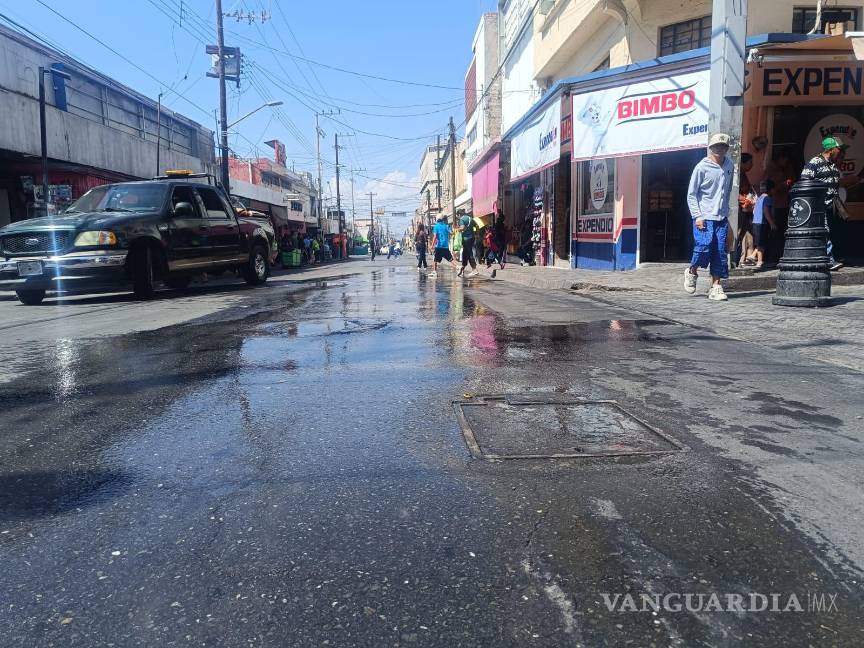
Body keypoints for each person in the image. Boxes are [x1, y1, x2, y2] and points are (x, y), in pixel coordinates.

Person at [683, 132, 735, 302]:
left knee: (720, 251)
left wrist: (727, 212)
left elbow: (727, 191)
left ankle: (716, 286)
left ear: (727, 149)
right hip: (704, 215)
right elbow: (692, 194)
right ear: (710, 148)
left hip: (721, 216)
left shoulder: (729, 165)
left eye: (722, 146)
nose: (719, 149)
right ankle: (692, 271)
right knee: (704, 246)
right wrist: (697, 216)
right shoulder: (702, 167)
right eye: (716, 146)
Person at [800, 136, 861, 271]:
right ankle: (829, 260)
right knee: (825, 230)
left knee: (832, 230)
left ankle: (830, 256)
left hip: (832, 205)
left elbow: (836, 183)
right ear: (831, 149)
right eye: (840, 149)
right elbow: (804, 182)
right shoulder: (814, 162)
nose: (842, 153)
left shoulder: (833, 165)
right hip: (819, 205)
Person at [746, 180, 777, 269]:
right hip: (762, 223)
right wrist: (772, 223)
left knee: (760, 242)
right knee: (761, 243)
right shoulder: (767, 199)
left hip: (755, 222)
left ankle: (753, 255)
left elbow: (754, 210)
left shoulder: (759, 198)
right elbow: (766, 211)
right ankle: (759, 261)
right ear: (770, 189)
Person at [455, 210, 479, 277]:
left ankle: (474, 270)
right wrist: (476, 234)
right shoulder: (470, 218)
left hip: (466, 239)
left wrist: (457, 229)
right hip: (472, 238)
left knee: (469, 253)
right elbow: (477, 226)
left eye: (457, 216)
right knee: (465, 253)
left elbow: (462, 227)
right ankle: (462, 269)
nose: (458, 217)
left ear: (459, 214)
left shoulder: (462, 219)